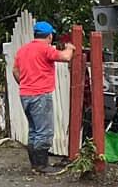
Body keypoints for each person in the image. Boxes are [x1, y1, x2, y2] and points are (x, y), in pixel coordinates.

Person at [12, 22, 75, 174]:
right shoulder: (45, 49)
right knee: (44, 131)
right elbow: (66, 57)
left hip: (25, 94)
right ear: (50, 36)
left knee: (34, 130)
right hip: (40, 94)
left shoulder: (23, 50)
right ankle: (42, 166)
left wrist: (25, 84)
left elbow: (15, 70)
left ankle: (35, 164)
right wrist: (70, 48)